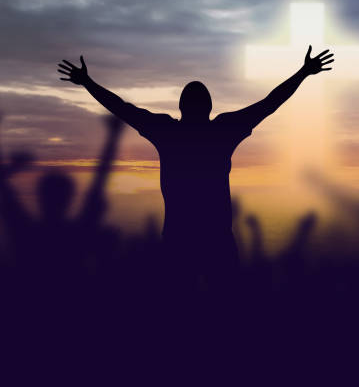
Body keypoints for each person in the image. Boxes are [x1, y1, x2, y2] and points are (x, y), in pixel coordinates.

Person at [57, 46, 334, 283]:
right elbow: (269, 104)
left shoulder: (167, 131)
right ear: (210, 107)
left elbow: (121, 107)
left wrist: (87, 82)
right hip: (217, 240)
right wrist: (303, 73)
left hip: (179, 239)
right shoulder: (224, 130)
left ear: (181, 106)